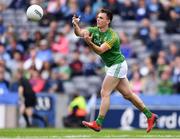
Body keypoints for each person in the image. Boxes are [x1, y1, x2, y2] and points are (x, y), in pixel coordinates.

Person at [72, 8, 158, 133]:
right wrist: (75, 25)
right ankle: (150, 116)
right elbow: (79, 33)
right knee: (128, 95)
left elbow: (100, 50)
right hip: (111, 66)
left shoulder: (112, 36)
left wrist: (89, 43)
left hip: (117, 65)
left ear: (108, 21)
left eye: (101, 18)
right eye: (98, 17)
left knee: (104, 92)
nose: (98, 19)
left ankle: (98, 123)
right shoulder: (93, 30)